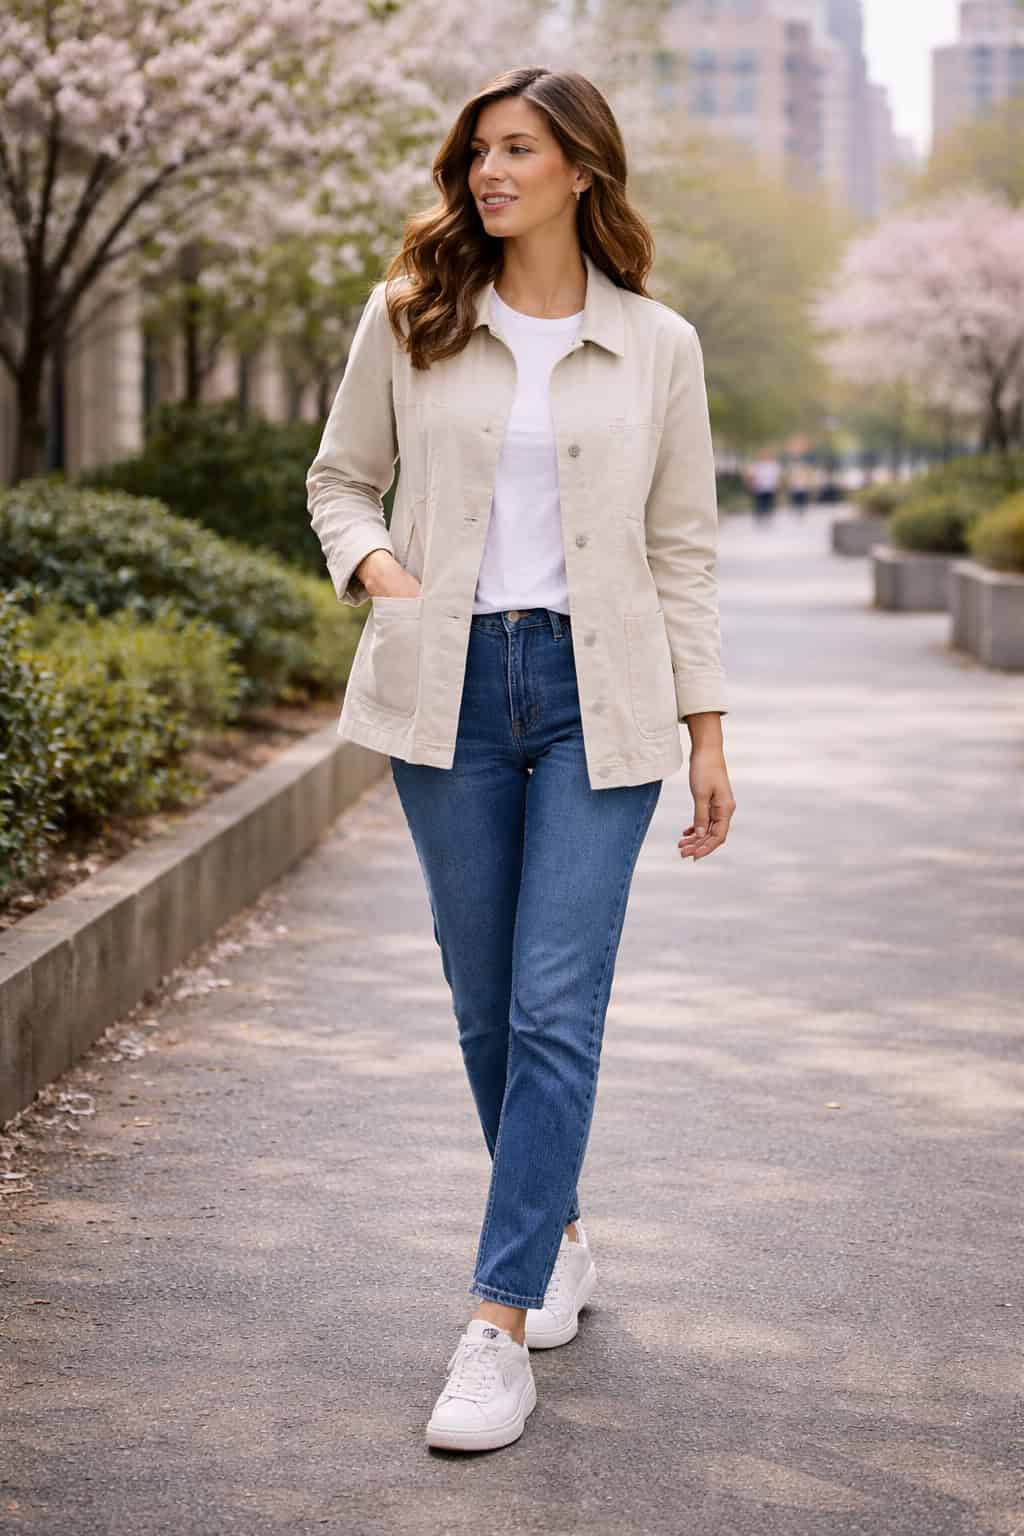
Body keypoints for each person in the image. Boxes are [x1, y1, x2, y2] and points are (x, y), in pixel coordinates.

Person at [305, 66, 736, 1455]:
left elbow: (683, 546)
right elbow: (336, 476)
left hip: (600, 693)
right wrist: (378, 570)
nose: (489, 173)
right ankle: (554, 1233)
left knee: (555, 1001)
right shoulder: (413, 316)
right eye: (478, 152)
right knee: (486, 1006)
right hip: (447, 684)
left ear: (581, 172)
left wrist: (708, 727)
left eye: (518, 151)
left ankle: (495, 1325)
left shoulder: (659, 344)